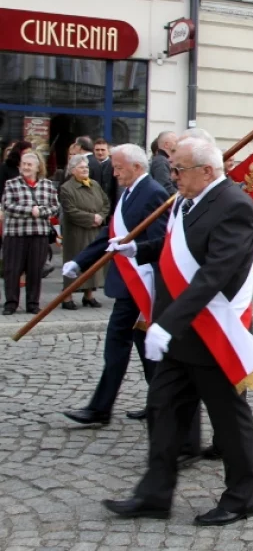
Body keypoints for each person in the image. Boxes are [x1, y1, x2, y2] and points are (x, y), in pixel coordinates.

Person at [102, 137, 253, 525]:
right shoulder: (186, 200)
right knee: (162, 410)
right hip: (179, 336)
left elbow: (214, 274)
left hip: (211, 331)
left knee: (228, 419)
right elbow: (175, 245)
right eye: (171, 168)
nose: (172, 176)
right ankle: (154, 495)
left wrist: (166, 324)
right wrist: (136, 250)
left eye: (179, 169)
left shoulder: (235, 206)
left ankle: (243, 498)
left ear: (207, 171)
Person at [61, 144, 169, 424]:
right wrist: (80, 261)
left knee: (116, 343)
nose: (115, 173)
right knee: (145, 347)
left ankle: (100, 409)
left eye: (119, 167)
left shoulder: (154, 193)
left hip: (141, 283)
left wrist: (156, 290)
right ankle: (160, 403)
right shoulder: (129, 191)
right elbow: (111, 234)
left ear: (136, 166)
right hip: (128, 282)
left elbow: (160, 244)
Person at [2, 152, 58, 315]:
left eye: (29, 165)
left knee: (35, 270)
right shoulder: (11, 184)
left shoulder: (47, 185)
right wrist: (29, 211)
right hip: (16, 234)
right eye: (23, 164)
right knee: (12, 270)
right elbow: (8, 205)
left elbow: (55, 207)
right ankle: (11, 303)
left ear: (37, 167)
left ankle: (33, 303)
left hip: (39, 234)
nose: (25, 167)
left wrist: (40, 211)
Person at [58, 155, 110, 310]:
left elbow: (106, 203)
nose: (85, 170)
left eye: (86, 167)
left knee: (93, 262)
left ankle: (89, 295)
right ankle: (67, 296)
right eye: (81, 167)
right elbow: (71, 211)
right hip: (76, 233)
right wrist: (91, 218)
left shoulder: (94, 184)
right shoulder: (66, 188)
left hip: (95, 230)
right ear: (73, 170)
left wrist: (101, 216)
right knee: (74, 262)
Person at [93, 138, 118, 217]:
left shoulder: (113, 166)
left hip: (108, 209)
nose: (100, 152)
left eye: (103, 150)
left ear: (108, 151)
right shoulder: (89, 165)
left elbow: (115, 190)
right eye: (97, 150)